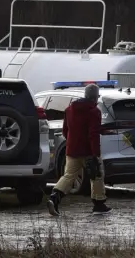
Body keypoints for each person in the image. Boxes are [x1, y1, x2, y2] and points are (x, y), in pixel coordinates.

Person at [48, 83, 110, 215]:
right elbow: (93, 134)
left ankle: (54, 198)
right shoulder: (94, 111)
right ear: (95, 97)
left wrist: (72, 142)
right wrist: (95, 154)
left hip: (72, 150)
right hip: (88, 151)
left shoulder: (69, 109)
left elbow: (65, 131)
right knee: (97, 175)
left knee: (68, 176)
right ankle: (99, 204)